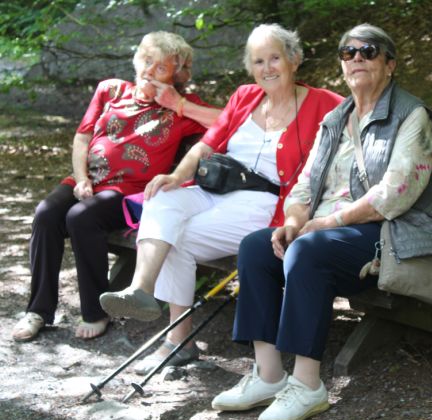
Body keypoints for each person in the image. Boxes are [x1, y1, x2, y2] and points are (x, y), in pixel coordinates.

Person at [211, 23, 432, 420]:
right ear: (342, 64)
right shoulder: (335, 118)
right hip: (330, 231)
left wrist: (328, 222)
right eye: (349, 52)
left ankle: (307, 385)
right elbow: (305, 183)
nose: (357, 58)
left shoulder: (412, 116)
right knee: (256, 247)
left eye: (369, 51)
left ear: (390, 64)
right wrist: (294, 221)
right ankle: (269, 375)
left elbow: (394, 193)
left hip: (388, 233)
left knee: (308, 252)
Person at [99, 23, 344, 375]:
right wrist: (176, 177)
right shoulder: (245, 96)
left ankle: (178, 341)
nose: (267, 68)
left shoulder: (323, 102)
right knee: (161, 200)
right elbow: (207, 144)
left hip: (264, 203)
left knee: (174, 237)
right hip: (217, 189)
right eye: (258, 61)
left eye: (275, 58)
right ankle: (141, 289)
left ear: (294, 59)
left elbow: (361, 120)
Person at [11, 31, 221, 342]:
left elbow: (229, 121)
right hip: (88, 180)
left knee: (81, 217)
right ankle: (38, 311)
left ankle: (96, 313)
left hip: (130, 194)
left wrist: (179, 104)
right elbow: (83, 137)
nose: (149, 71)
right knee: (46, 214)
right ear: (136, 59)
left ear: (174, 76)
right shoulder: (110, 90)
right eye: (146, 60)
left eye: (161, 67)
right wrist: (81, 177)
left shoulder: (180, 108)